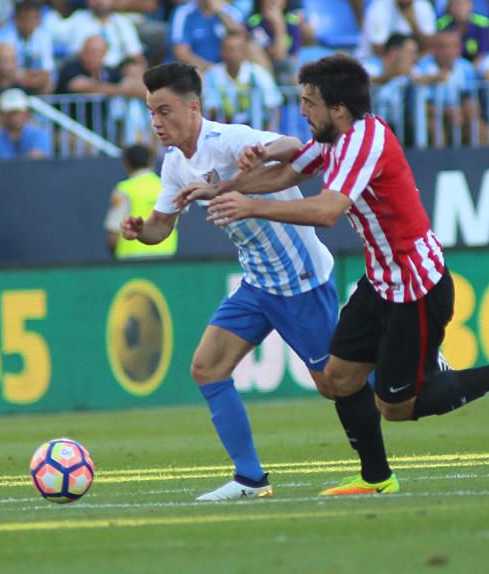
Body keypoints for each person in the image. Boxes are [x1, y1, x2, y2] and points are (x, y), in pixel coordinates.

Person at [185, 53, 489, 495]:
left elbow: (327, 210)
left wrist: (251, 206)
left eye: (308, 102)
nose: (302, 111)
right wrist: (223, 187)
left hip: (414, 287)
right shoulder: (334, 137)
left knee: (396, 406)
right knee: (339, 378)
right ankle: (376, 477)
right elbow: (286, 172)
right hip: (381, 281)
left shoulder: (364, 141)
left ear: (337, 108)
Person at [120, 62, 339, 501]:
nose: (156, 123)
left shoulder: (228, 139)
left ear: (193, 107)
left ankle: (419, 363)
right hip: (258, 282)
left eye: (164, 111)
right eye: (151, 113)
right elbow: (162, 228)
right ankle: (250, 478)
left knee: (338, 384)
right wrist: (140, 230)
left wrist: (259, 158)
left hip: (299, 277)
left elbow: (295, 145)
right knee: (207, 368)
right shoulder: (176, 164)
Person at [105, 143, 175, 258]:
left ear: (125, 164)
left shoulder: (124, 189)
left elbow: (114, 230)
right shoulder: (165, 188)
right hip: (165, 256)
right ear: (151, 162)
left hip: (131, 259)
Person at [0, 88, 52, 160]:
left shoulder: (39, 135)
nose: (13, 116)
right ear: (2, 115)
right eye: (9, 112)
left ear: (26, 113)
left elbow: (36, 158)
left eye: (17, 112)